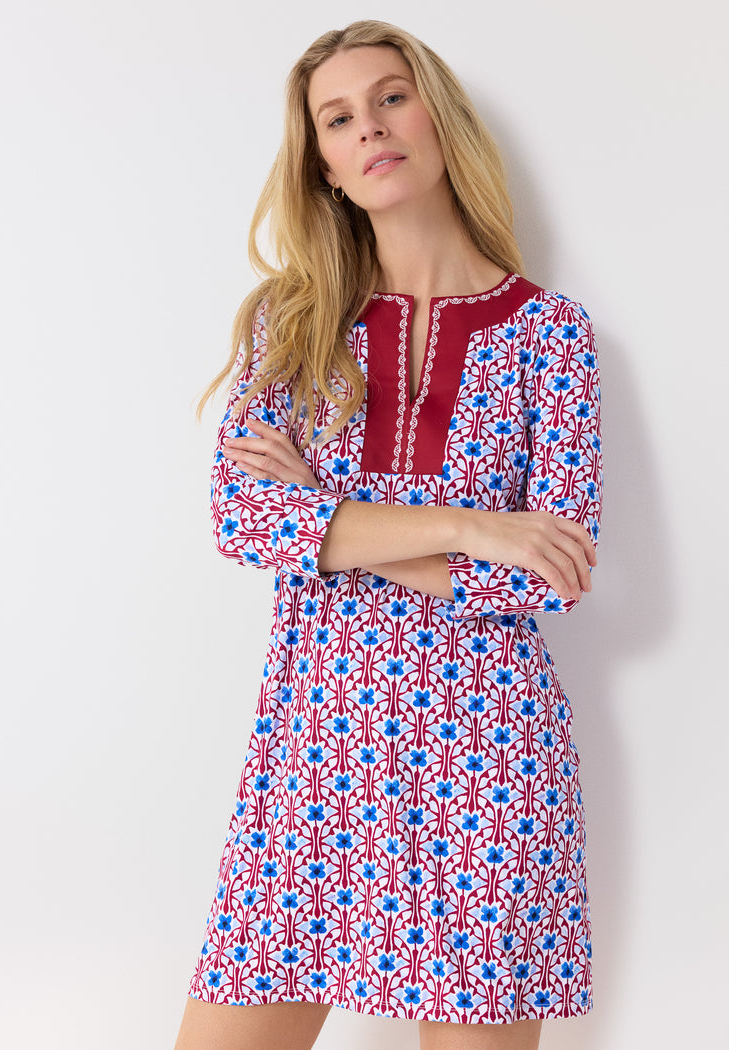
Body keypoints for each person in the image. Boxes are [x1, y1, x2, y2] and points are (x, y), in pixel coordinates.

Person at [174, 19, 602, 1050]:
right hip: (312, 752)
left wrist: (330, 519)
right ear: (321, 163)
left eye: (391, 98)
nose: (370, 126)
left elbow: (553, 574)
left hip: (488, 758)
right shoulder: (294, 322)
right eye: (339, 117)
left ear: (439, 117)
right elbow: (243, 515)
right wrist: (473, 528)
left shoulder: (552, 335)